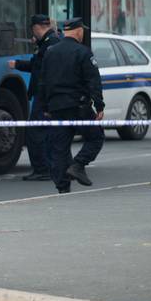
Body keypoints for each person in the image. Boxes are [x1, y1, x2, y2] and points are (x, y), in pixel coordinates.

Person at [40, 18, 105, 193]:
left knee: (60, 148)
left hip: (57, 108)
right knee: (96, 137)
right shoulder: (83, 52)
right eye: (82, 30)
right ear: (78, 31)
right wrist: (99, 106)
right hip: (78, 106)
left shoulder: (50, 52)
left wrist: (45, 107)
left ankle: (62, 188)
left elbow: (43, 82)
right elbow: (93, 81)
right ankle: (78, 165)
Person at [8, 14, 60, 181]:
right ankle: (47, 167)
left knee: (35, 132)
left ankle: (42, 169)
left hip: (44, 95)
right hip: (46, 95)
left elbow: (39, 67)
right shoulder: (49, 42)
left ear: (37, 28)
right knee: (45, 132)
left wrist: (17, 64)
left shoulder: (50, 44)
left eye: (33, 30)